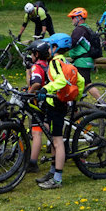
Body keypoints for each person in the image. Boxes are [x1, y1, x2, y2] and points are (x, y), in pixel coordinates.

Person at [38, 33, 86, 189]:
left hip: (56, 104)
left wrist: (46, 88)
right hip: (60, 103)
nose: (48, 50)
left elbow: (60, 81)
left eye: (50, 47)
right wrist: (74, 96)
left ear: (54, 48)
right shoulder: (66, 61)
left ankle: (57, 178)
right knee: (53, 139)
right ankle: (52, 171)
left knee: (58, 142)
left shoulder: (55, 63)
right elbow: (81, 80)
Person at [25, 40, 52, 174]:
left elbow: (34, 84)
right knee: (47, 127)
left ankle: (32, 163)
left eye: (32, 53)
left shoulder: (37, 67)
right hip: (50, 101)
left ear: (36, 53)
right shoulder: (48, 65)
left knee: (36, 132)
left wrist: (28, 94)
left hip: (39, 102)